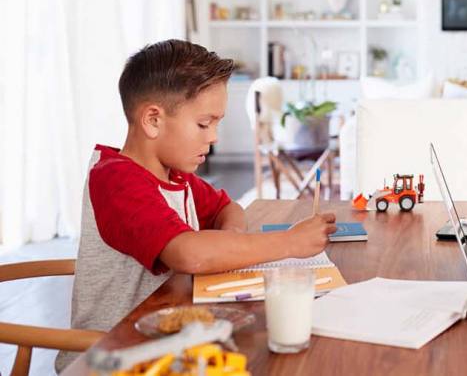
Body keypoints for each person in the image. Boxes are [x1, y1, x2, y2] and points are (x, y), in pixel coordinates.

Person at [56, 40, 337, 371]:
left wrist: (230, 240)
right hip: (112, 359)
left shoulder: (176, 176)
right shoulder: (116, 180)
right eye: (205, 123)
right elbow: (189, 254)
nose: (214, 136)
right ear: (153, 120)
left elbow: (227, 208)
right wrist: (289, 243)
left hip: (169, 349)